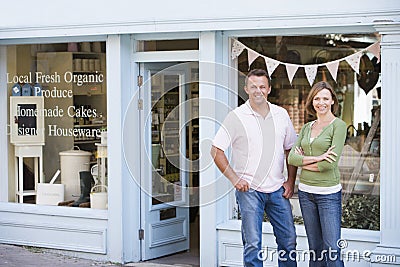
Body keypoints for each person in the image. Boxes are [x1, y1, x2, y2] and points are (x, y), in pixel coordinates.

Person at [211, 69, 298, 267]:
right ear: (246, 89)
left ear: (268, 89)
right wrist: (235, 179)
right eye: (253, 87)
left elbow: (291, 150)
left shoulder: (281, 114)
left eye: (262, 86)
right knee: (252, 245)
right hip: (249, 190)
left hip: (277, 190)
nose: (258, 90)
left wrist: (291, 181)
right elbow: (216, 150)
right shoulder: (236, 116)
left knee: (289, 241)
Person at [288, 81, 346, 267]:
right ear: (312, 101)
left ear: (332, 101)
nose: (321, 102)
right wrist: (319, 157)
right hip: (306, 193)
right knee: (315, 249)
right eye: (317, 98)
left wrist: (305, 162)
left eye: (325, 98)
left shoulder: (339, 126)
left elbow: (329, 165)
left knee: (332, 250)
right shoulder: (307, 127)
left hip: (328, 194)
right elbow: (291, 158)